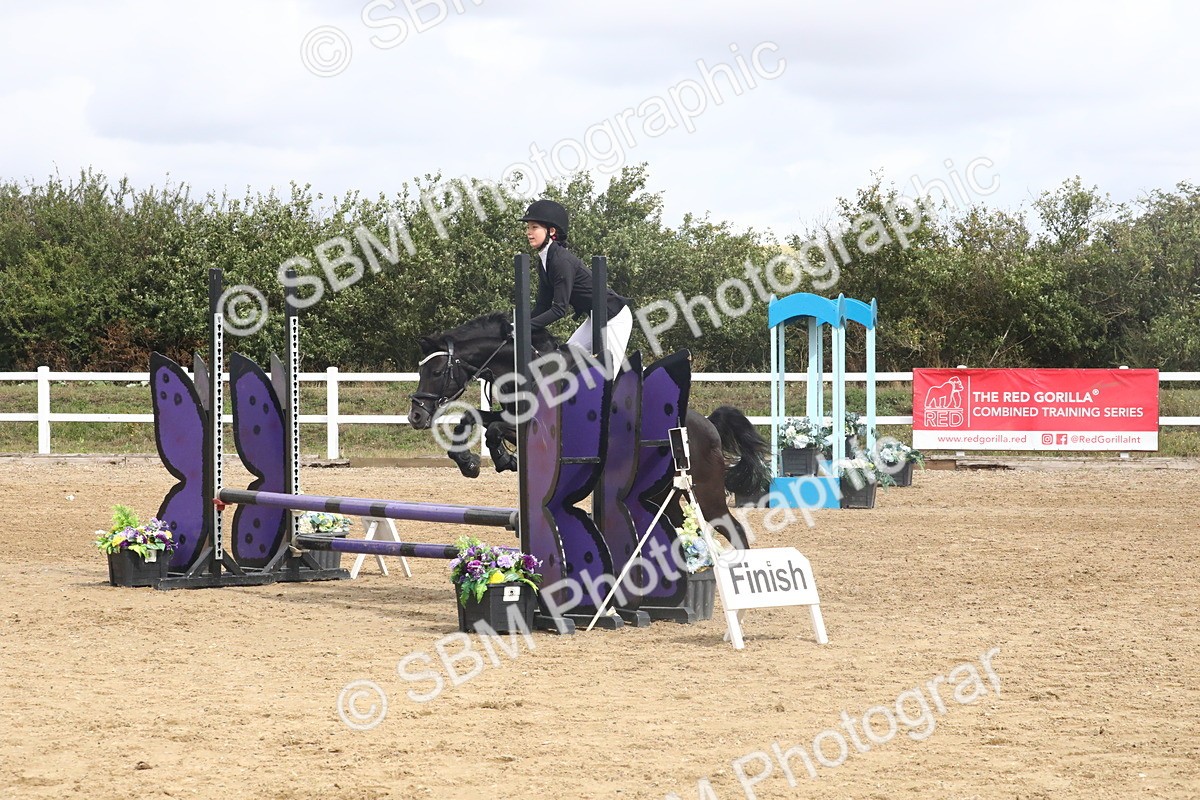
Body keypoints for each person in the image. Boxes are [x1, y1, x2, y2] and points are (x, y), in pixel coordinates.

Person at [519, 199, 633, 372]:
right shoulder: (545, 261)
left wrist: (525, 328)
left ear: (551, 231)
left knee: (608, 374)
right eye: (528, 227)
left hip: (615, 317)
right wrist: (517, 325)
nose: (528, 232)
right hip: (595, 318)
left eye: (534, 227)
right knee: (565, 362)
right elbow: (543, 306)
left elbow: (559, 309)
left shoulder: (561, 261)